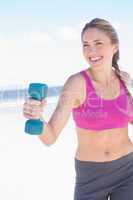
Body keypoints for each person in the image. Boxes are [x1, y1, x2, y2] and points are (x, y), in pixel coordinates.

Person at [23, 18, 133, 200]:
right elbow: (49, 137)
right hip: (90, 177)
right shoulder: (76, 84)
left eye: (98, 43)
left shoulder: (123, 80)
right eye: (86, 45)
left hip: (128, 170)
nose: (92, 51)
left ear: (114, 46)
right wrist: (38, 117)